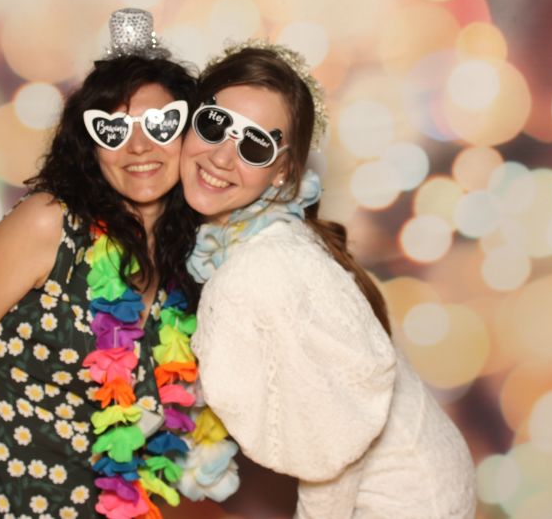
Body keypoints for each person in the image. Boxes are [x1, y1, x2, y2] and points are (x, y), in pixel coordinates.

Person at [0, 9, 225, 519]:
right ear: (90, 146)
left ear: (190, 137)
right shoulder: (49, 225)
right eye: (113, 130)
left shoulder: (191, 266)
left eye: (160, 126)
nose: (138, 146)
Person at [181, 42, 478, 518]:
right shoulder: (247, 241)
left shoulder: (262, 267)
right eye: (214, 124)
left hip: (407, 501)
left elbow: (337, 444)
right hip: (428, 475)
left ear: (282, 173)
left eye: (255, 145)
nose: (221, 156)